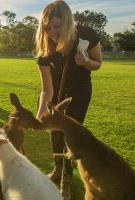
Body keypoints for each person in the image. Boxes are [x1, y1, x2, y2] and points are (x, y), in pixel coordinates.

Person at [35, 1, 102, 199]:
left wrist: (86, 62)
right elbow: (47, 89)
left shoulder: (87, 35)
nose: (52, 32)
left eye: (57, 26)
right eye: (47, 28)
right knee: (54, 132)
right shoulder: (45, 48)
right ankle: (58, 168)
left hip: (80, 90)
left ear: (68, 21)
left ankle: (66, 179)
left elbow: (98, 63)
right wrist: (40, 113)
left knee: (70, 136)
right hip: (56, 91)